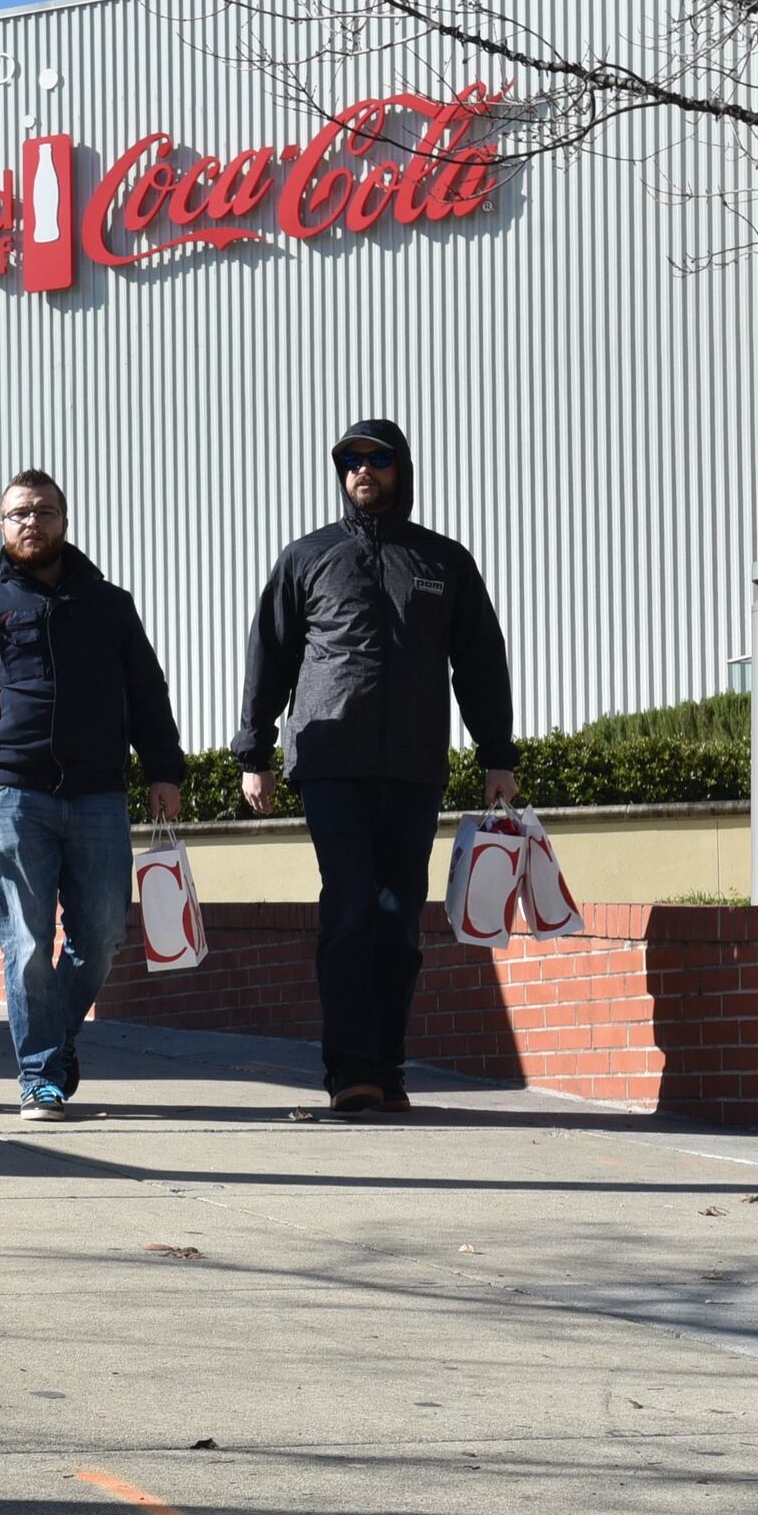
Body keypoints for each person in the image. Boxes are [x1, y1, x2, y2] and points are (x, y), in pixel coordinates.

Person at [233, 418, 519, 1114]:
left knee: (397, 919)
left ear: (401, 468)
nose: (364, 471)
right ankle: (349, 1068)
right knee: (352, 903)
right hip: (331, 763)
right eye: (351, 461)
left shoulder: (443, 561)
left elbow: (480, 662)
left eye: (378, 459)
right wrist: (253, 751)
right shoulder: (308, 558)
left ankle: (387, 1066)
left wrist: (497, 755)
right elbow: (268, 653)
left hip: (415, 766)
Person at [0, 468, 187, 1121]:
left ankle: (55, 1038)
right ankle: (39, 1075)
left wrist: (164, 769)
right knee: (25, 939)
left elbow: (147, 691)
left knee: (106, 933)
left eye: (44, 511)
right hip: (12, 794)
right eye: (18, 513)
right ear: (2, 526)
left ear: (64, 517)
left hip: (98, 795)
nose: (31, 522)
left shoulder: (110, 605)